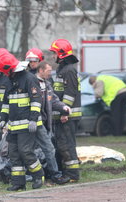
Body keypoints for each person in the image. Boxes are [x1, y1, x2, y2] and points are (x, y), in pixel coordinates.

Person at [0, 53, 45, 191]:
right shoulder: (9, 81)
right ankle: (18, 183)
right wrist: (3, 119)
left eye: (5, 72)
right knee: (14, 154)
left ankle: (38, 175)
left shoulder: (29, 79)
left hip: (27, 125)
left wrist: (33, 120)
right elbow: (6, 103)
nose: (4, 74)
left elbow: (36, 100)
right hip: (13, 125)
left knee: (25, 151)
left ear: (9, 70)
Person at [49, 39, 81, 182]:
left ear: (61, 54)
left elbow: (70, 94)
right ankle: (66, 172)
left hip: (68, 116)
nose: (52, 56)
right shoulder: (63, 69)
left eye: (54, 53)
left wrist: (64, 112)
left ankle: (73, 175)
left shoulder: (69, 70)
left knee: (68, 145)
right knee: (62, 145)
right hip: (63, 115)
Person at [35, 61, 71, 185]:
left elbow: (53, 100)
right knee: (48, 148)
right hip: (35, 123)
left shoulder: (47, 84)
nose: (50, 74)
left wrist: (63, 107)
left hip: (44, 124)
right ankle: (55, 175)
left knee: (35, 150)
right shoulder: (33, 84)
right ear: (40, 70)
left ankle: (43, 175)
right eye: (48, 71)